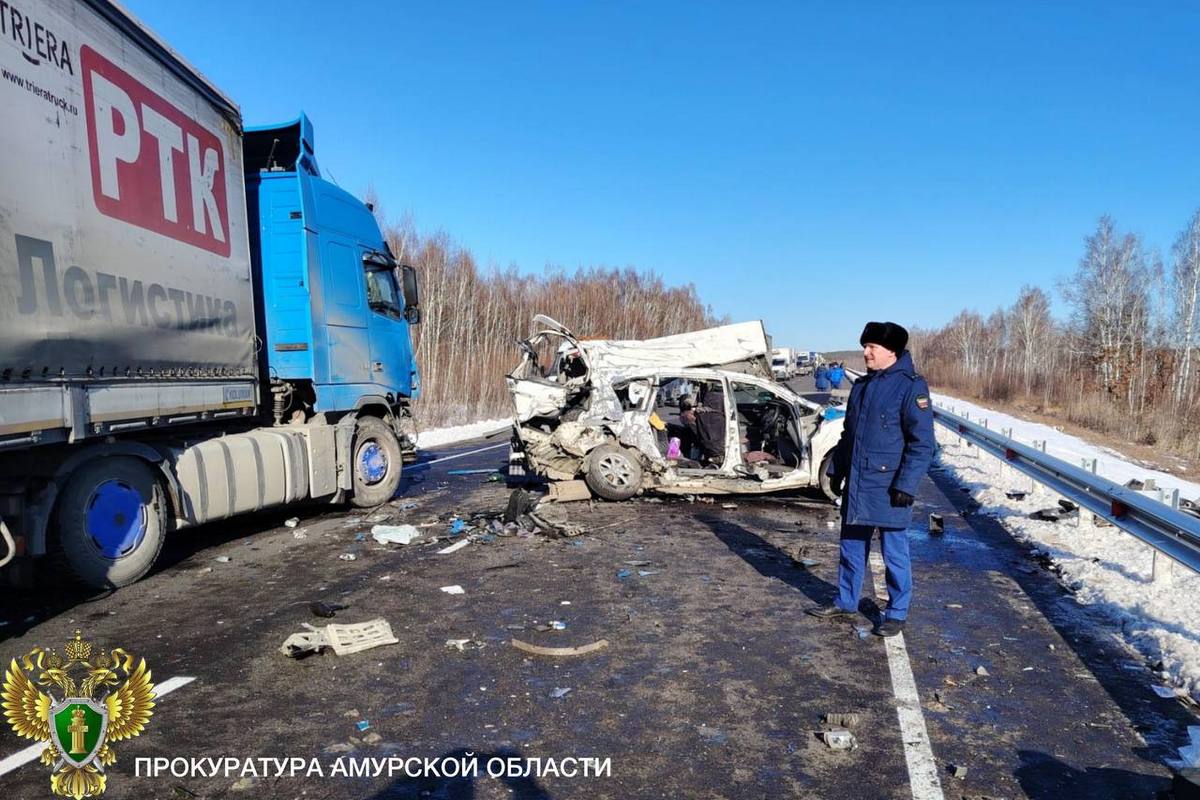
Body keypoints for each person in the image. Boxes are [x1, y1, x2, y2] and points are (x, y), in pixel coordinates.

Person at [806, 322, 935, 637]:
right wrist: (836, 469)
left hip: (890, 486)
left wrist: (906, 485)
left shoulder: (910, 386)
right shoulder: (862, 386)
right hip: (859, 482)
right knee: (850, 547)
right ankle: (846, 601)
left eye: (871, 348)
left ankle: (897, 612)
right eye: (865, 347)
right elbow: (850, 435)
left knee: (894, 553)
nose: (865, 353)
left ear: (890, 351)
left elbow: (922, 443)